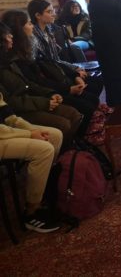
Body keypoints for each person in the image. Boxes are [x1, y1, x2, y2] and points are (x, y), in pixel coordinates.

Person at [2, 9, 100, 137]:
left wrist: (74, 75)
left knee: (92, 92)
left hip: (45, 90)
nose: (32, 26)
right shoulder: (14, 58)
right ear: (19, 29)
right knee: (81, 110)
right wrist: (62, 91)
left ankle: (79, 138)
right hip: (32, 99)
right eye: (29, 23)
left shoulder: (32, 44)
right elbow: (31, 84)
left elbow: (51, 63)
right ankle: (75, 142)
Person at [0, 22, 81, 149]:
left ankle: (68, 149)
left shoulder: (7, 60)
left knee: (74, 114)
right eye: (6, 34)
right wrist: (44, 102)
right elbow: (9, 102)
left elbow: (28, 84)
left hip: (32, 100)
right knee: (63, 124)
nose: (11, 36)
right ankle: (62, 153)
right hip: (17, 111)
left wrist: (50, 94)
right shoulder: (11, 61)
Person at [0, 92, 63, 233]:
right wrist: (29, 134)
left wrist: (33, 130)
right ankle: (31, 211)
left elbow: (9, 116)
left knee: (55, 135)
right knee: (44, 150)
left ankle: (43, 194)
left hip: (4, 131)